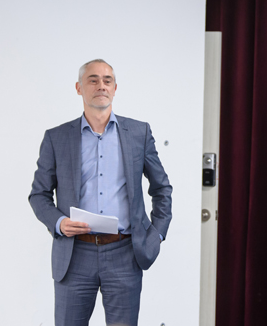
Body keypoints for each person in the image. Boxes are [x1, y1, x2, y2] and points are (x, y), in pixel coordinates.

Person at [29, 59, 172, 326]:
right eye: (93, 80)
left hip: (124, 253)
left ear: (115, 88)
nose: (101, 86)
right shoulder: (56, 138)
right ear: (79, 88)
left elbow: (162, 188)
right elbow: (39, 195)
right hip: (74, 255)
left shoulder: (138, 133)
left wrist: (157, 235)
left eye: (107, 81)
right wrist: (59, 223)